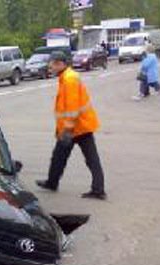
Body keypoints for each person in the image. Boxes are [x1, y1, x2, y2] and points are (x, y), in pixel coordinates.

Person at [36, 51, 106, 200]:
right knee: (59, 157)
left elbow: (72, 108)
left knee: (89, 158)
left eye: (51, 64)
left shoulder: (69, 79)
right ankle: (52, 182)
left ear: (59, 64)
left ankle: (98, 190)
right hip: (78, 126)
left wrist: (67, 129)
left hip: (77, 128)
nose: (50, 67)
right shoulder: (66, 77)